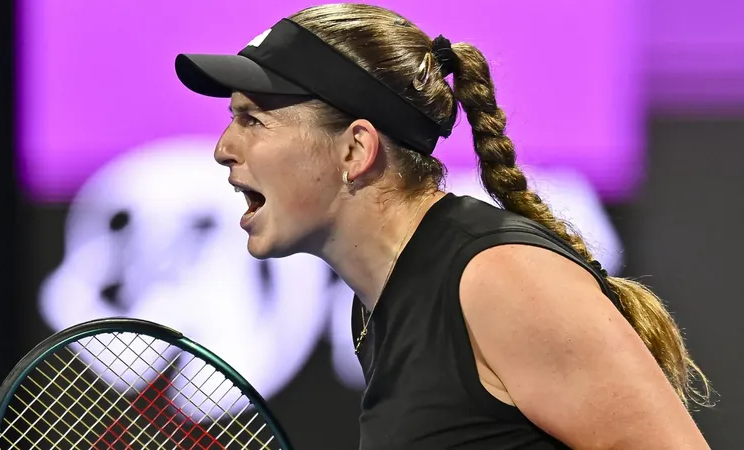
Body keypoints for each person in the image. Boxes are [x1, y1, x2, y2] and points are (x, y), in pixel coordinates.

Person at [174, 3, 713, 449]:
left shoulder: (499, 278)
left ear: (355, 149)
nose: (224, 148)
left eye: (253, 120)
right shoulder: (383, 302)